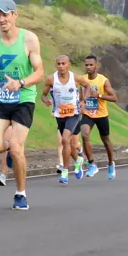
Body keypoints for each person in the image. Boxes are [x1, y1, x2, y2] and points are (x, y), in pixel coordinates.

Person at [0, 0, 44, 210]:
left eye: (6, 14)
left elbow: (40, 72)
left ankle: (20, 194)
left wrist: (21, 83)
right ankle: (7, 146)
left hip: (23, 99)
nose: (2, 19)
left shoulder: (29, 39)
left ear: (15, 15)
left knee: (18, 149)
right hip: (1, 99)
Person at [41, 55, 85, 185]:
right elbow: (43, 94)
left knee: (65, 139)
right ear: (56, 65)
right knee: (68, 144)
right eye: (59, 64)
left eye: (63, 63)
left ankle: (65, 172)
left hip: (74, 113)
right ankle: (78, 161)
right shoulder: (51, 79)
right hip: (59, 114)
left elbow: (87, 86)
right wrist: (46, 100)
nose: (61, 66)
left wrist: (83, 101)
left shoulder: (75, 77)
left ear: (68, 65)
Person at [78, 55, 118, 179]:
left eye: (91, 65)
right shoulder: (82, 80)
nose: (88, 67)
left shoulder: (103, 80)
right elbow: (80, 96)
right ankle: (92, 164)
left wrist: (99, 95)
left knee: (105, 140)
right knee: (84, 134)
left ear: (96, 66)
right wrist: (80, 104)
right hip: (88, 113)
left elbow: (114, 98)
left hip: (101, 114)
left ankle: (111, 163)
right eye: (86, 65)